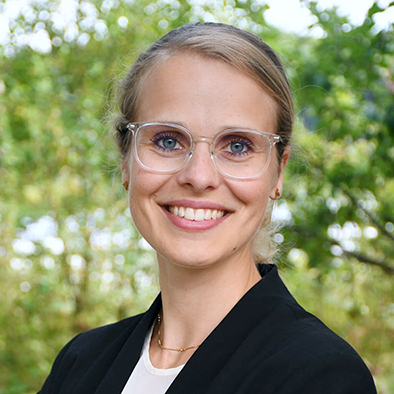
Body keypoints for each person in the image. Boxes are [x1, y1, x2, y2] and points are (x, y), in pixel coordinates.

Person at [38, 22, 377, 394]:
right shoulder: (79, 363)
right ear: (126, 160)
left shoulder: (320, 375)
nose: (199, 176)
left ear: (278, 172)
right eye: (167, 140)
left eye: (237, 146)